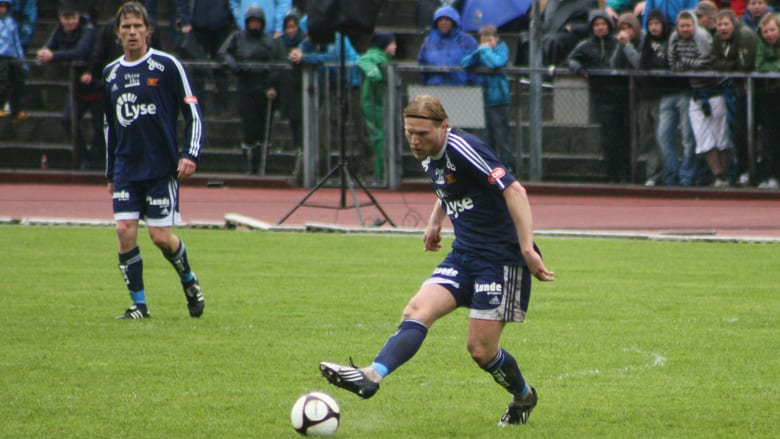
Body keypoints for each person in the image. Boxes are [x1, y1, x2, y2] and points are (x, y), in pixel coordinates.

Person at [319, 94, 554, 427]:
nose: (414, 141)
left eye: (422, 134)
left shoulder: (464, 148)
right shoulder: (429, 154)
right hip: (464, 254)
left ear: (444, 126)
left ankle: (523, 395)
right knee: (416, 310)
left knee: (481, 350)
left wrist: (527, 248)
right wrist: (434, 222)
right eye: (409, 133)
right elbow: (449, 187)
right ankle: (372, 375)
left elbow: (515, 191)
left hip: (501, 260)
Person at [103, 1, 205, 319]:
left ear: (148, 30)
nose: (132, 32)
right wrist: (110, 172)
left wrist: (189, 154)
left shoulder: (166, 65)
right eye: (126, 27)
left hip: (160, 168)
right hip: (126, 167)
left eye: (138, 26)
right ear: (118, 33)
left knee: (160, 237)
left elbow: (192, 112)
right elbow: (109, 126)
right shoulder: (111, 74)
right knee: (124, 230)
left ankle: (189, 280)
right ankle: (139, 305)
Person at [668, 10, 733, 187]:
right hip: (696, 93)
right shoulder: (674, 38)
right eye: (682, 26)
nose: (685, 29)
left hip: (714, 91)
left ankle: (726, 175)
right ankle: (718, 175)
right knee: (702, 138)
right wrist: (690, 64)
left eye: (688, 25)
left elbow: (707, 62)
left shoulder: (702, 36)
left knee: (721, 136)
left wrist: (685, 62)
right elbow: (673, 64)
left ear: (694, 25)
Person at [567, 9, 631, 183]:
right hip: (602, 97)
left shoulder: (617, 42)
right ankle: (612, 174)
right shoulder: (586, 45)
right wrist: (579, 69)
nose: (600, 28)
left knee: (625, 138)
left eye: (603, 24)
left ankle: (626, 174)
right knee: (608, 139)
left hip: (623, 95)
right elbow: (571, 59)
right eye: (597, 25)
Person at [36, 0, 99, 170]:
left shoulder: (88, 29)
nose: (69, 22)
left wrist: (54, 56)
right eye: (66, 18)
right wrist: (44, 54)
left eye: (73, 18)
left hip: (95, 82)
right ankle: (84, 158)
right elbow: (48, 48)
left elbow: (81, 52)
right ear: (60, 18)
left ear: (78, 17)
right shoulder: (59, 30)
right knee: (67, 120)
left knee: (99, 126)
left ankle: (97, 161)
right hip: (77, 86)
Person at [640, 8, 695, 186]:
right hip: (665, 93)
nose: (654, 27)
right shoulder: (647, 41)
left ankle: (686, 177)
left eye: (657, 23)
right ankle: (671, 175)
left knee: (687, 137)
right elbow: (644, 64)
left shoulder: (674, 37)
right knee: (663, 136)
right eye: (650, 24)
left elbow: (670, 63)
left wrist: (659, 65)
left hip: (684, 91)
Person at [218, 5, 275, 174]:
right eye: (252, 22)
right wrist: (234, 65)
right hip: (245, 86)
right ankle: (248, 163)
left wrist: (271, 84)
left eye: (258, 22)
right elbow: (223, 53)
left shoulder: (268, 41)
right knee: (249, 126)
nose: (255, 25)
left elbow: (275, 63)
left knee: (263, 127)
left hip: (263, 88)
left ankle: (262, 163)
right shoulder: (238, 37)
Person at [611, 12, 664, 185]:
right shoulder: (623, 43)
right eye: (622, 28)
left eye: (628, 27)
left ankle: (661, 174)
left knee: (659, 136)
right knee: (647, 137)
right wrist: (621, 46)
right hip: (639, 97)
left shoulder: (645, 41)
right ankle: (650, 174)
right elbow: (614, 65)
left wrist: (627, 46)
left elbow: (640, 64)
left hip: (655, 94)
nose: (626, 31)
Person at [711, 9, 758, 186]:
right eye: (719, 24)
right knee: (738, 133)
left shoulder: (745, 35)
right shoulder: (718, 38)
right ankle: (743, 170)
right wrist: (731, 65)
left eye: (726, 24)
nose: (722, 28)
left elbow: (744, 66)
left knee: (752, 132)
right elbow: (714, 62)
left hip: (754, 91)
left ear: (733, 24)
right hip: (738, 92)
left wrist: (727, 65)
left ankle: (757, 172)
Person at [461, 25, 514, 173]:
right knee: (486, 138)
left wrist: (485, 50)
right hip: (483, 101)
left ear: (496, 39)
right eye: (483, 40)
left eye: (489, 40)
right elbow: (465, 63)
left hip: (499, 101)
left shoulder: (502, 49)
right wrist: (478, 52)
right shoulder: (481, 51)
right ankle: (488, 168)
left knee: (502, 137)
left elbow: (496, 63)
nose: (486, 43)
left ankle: (508, 168)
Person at [175, 0, 234, 115]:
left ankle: (222, 107)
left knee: (222, 67)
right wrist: (185, 19)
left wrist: (232, 17)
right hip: (199, 23)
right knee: (198, 69)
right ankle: (198, 107)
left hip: (222, 23)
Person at [357, 32, 396, 181]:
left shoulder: (383, 58)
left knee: (382, 135)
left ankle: (383, 171)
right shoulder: (373, 56)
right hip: (373, 103)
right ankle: (380, 172)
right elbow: (362, 61)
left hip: (380, 103)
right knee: (379, 136)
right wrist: (375, 74)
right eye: (392, 43)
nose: (395, 46)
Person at [515, 0, 596, 66]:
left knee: (552, 40)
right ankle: (523, 74)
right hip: (548, 32)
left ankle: (547, 75)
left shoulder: (586, 2)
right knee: (524, 36)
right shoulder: (552, 2)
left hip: (570, 36)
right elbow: (543, 19)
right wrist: (537, 23)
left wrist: (573, 27)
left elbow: (593, 23)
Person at [270, 8, 305, 155]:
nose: (291, 30)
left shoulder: (304, 42)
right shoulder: (278, 43)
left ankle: (302, 148)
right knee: (293, 120)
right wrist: (271, 85)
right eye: (288, 27)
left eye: (293, 27)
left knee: (301, 121)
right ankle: (297, 148)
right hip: (286, 88)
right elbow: (273, 65)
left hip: (302, 87)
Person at [417, 5, 478, 85]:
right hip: (434, 88)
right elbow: (422, 65)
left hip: (461, 88)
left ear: (454, 21)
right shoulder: (428, 42)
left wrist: (470, 85)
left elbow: (474, 64)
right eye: (440, 20)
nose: (443, 23)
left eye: (447, 20)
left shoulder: (468, 41)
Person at [755, 12, 780, 188]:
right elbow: (759, 65)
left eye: (772, 30)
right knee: (770, 136)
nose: (769, 34)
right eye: (766, 31)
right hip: (769, 95)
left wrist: (771, 67)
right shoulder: (760, 44)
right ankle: (772, 175)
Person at [0, 0, 27, 121]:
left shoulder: (11, 22)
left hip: (11, 56)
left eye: (4, 7)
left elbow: (16, 42)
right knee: (3, 80)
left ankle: (16, 110)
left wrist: (21, 60)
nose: (2, 9)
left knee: (19, 80)